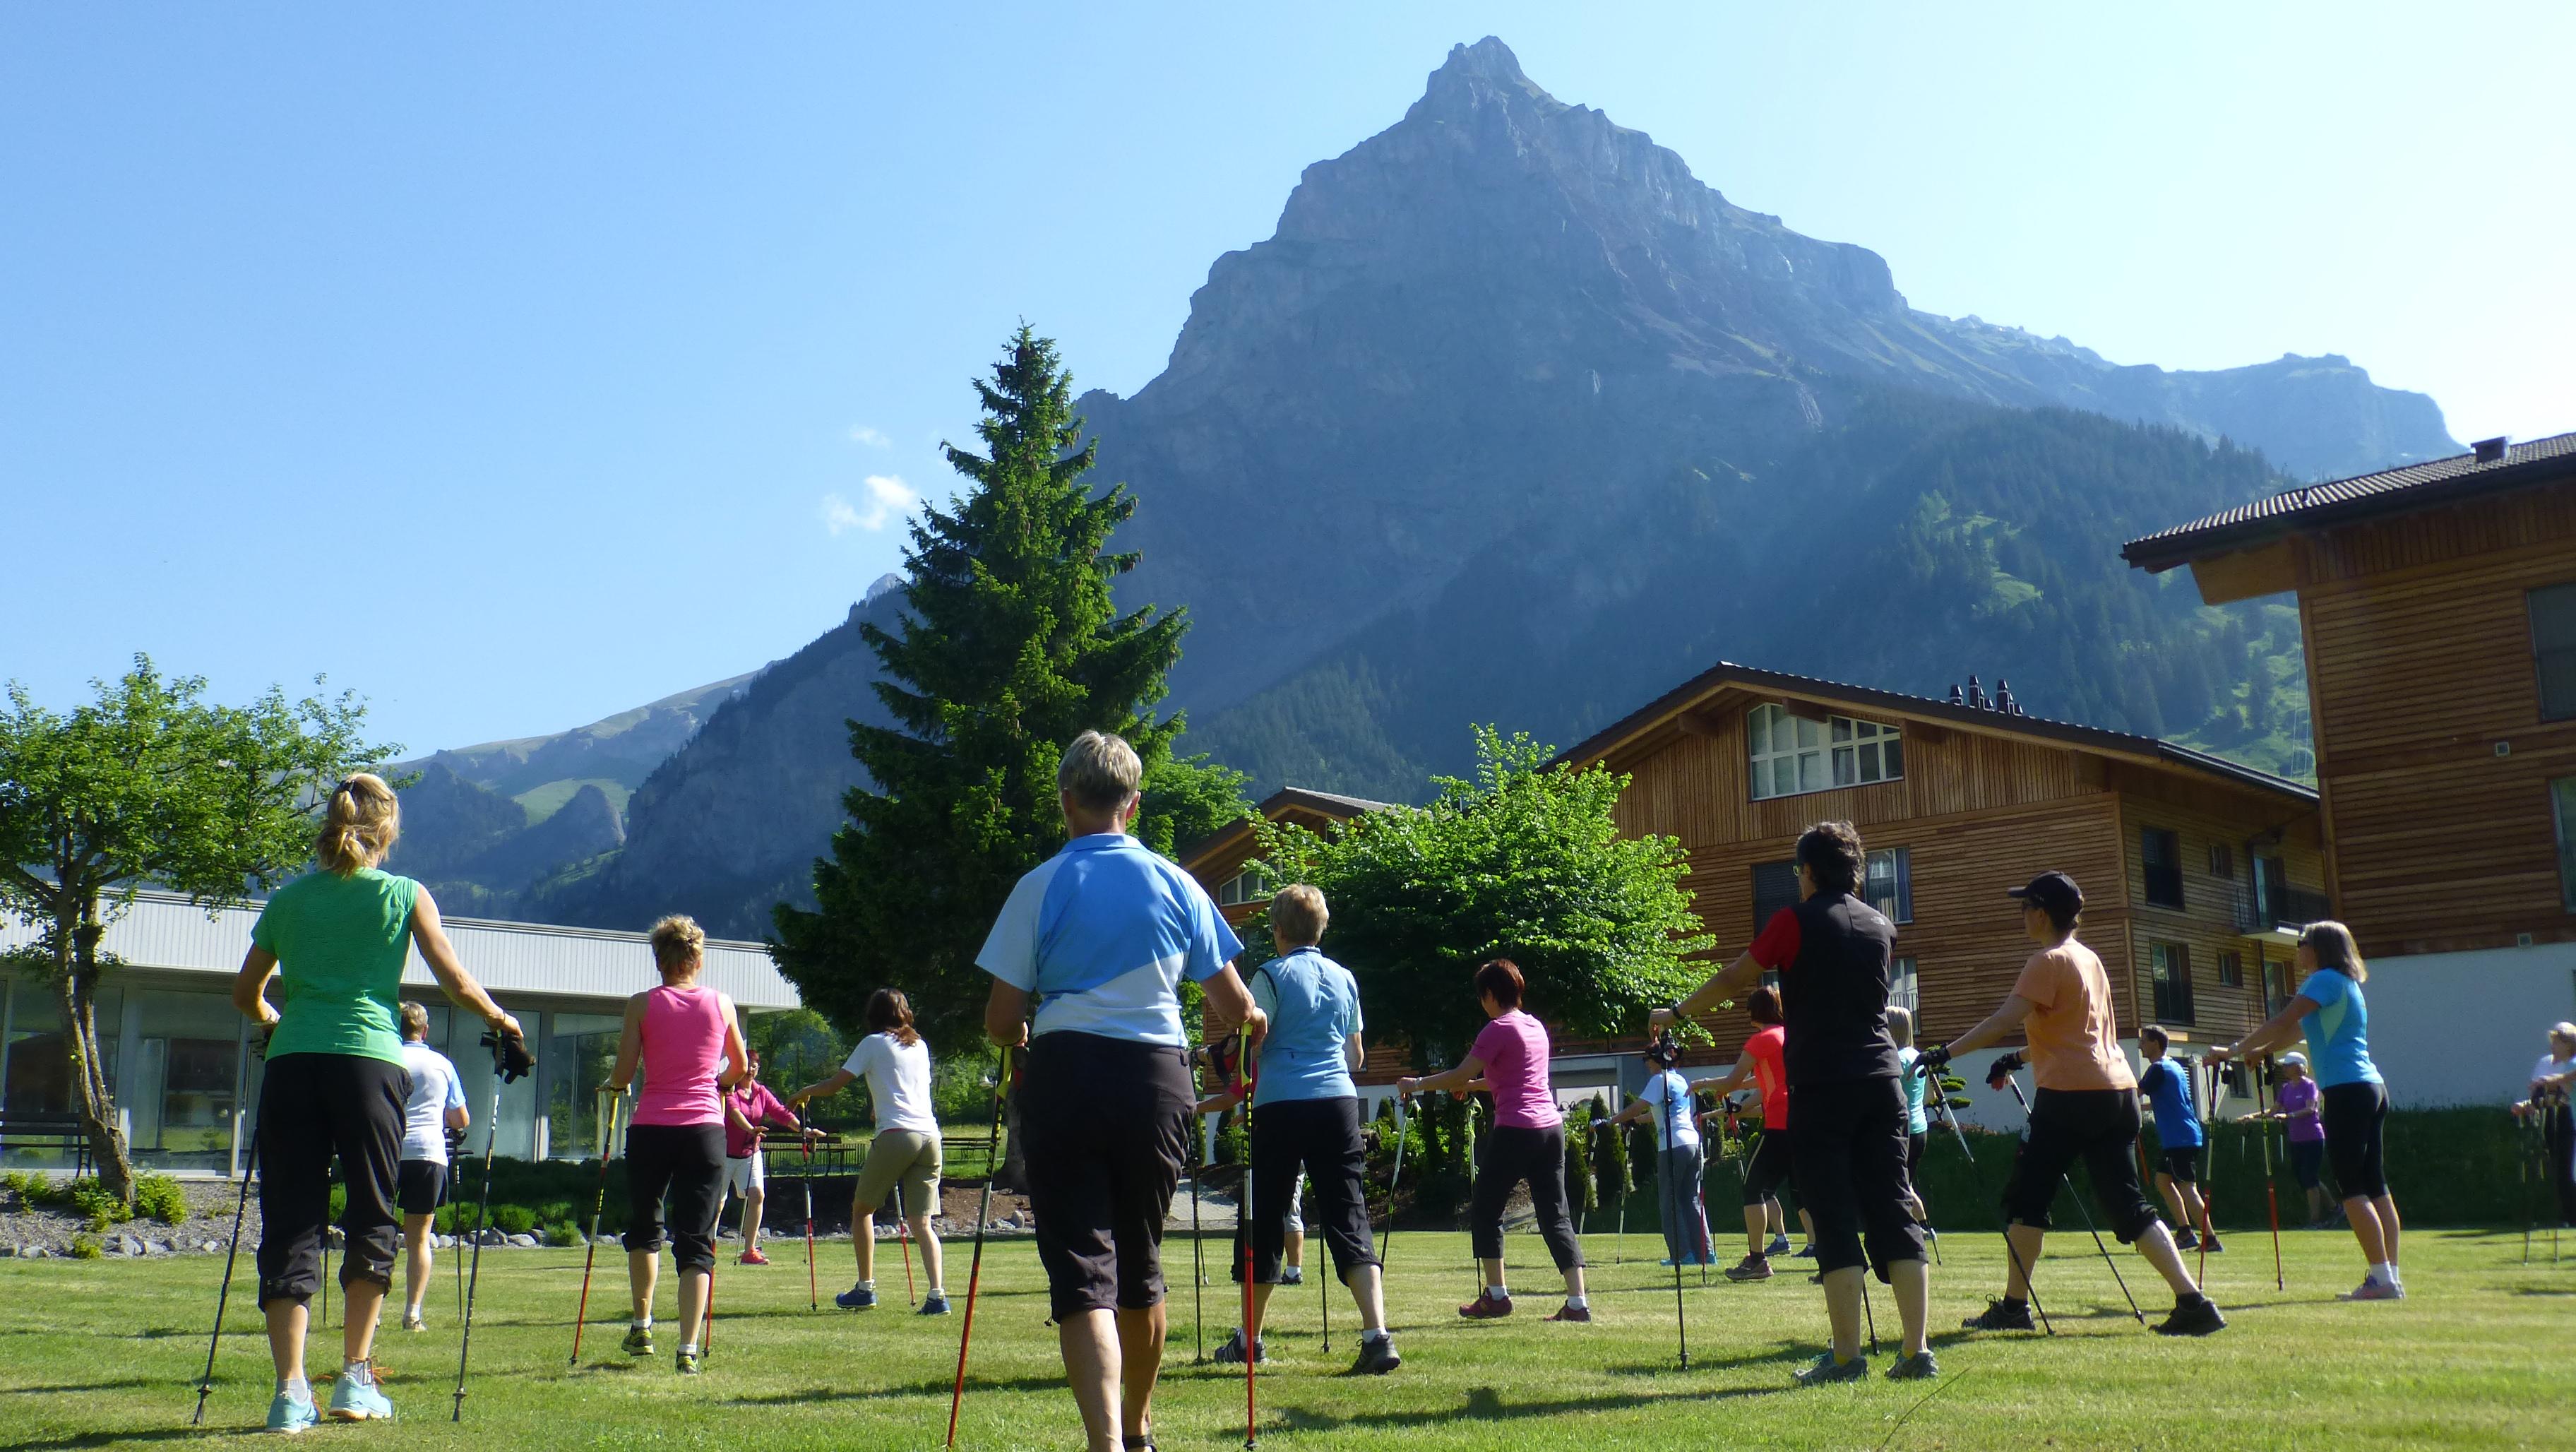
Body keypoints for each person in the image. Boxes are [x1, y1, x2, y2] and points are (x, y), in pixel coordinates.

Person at [977, 730, 1262, 1452]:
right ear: (1133, 804)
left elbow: (1002, 1020)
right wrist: (1254, 1018)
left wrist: (1020, 1040)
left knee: (1082, 1267)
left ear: (1065, 801)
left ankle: (1104, 1442)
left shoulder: (1037, 886)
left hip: (1067, 1074)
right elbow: (1232, 1005)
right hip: (1156, 1082)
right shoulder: (1177, 882)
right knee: (1141, 1261)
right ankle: (1138, 1427)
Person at [229, 773, 523, 1432]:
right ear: (386, 830)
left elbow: (245, 990)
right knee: (371, 1211)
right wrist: (503, 1021)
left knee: (291, 1219)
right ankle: (355, 1381)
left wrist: (273, 1021)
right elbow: (452, 977)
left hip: (294, 1063)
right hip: (369, 1065)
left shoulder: (290, 899)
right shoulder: (404, 894)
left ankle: (289, 1392)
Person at [1655, 821, 1935, 1384]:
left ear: (1808, 872)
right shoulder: (1882, 925)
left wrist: (1678, 1013)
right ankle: (1916, 1351)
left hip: (1823, 1084)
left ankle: (1846, 1358)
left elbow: (1739, 976)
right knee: (1891, 1208)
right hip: (1882, 1081)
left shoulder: (1793, 921)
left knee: (1832, 1215)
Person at [1919, 870, 2224, 1338]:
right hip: (2117, 1093)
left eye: (2025, 908)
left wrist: (1944, 1052)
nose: (2022, 915)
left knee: (2027, 1199)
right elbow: (2075, 1032)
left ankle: (2014, 1307)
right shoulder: (2089, 959)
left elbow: (2005, 1017)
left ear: (2041, 914)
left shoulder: (2047, 960)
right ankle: (2192, 1301)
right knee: (2128, 1204)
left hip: (2069, 1098)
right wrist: (2015, 1059)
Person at [1208, 884, 1398, 1374]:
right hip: (1337, 1102)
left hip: (1281, 1104)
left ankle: (1250, 1339)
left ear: (1277, 930)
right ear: (1322, 928)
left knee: (1265, 1217)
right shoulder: (1345, 977)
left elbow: (1255, 1037)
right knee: (1348, 1212)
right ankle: (1377, 1335)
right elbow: (1355, 1057)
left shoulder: (1268, 975)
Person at [2214, 921, 2402, 1301]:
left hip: (2348, 1090)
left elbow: (2281, 1020)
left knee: (2352, 1188)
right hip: (2371, 1088)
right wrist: (2262, 1051)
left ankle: (2381, 1281)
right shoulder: (2344, 984)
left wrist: (2232, 1051)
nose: (2298, 949)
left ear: (2318, 949)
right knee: (2374, 1185)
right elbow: (2298, 1032)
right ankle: (2389, 1277)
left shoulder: (2322, 980)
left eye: (2302, 943)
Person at [1397, 959, 1591, 1324]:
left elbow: (1460, 1072)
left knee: (1486, 1211)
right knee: (1556, 1214)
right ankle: (1577, 1302)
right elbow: (1513, 1078)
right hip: (1551, 1129)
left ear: (1489, 994)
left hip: (1516, 1129)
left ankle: (1497, 1296)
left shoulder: (1496, 1028)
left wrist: (1417, 1084)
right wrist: (1471, 1088)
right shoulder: (1535, 1027)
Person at [607, 915, 750, 1374]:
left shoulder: (641, 1005)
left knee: (646, 1227)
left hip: (652, 1127)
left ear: (659, 960)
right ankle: (687, 1350)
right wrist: (717, 1083)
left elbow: (625, 1074)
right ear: (696, 958)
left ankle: (643, 1323)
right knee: (696, 1239)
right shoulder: (721, 1004)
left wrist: (608, 1084)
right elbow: (739, 1069)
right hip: (705, 1130)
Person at [789, 987, 949, 1314]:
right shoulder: (919, 1045)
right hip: (930, 1136)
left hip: (897, 1135)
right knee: (922, 1223)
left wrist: (804, 1091)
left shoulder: (873, 1043)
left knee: (863, 1209)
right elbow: (910, 1089)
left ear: (873, 1015)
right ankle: (937, 1296)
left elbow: (836, 1084)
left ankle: (866, 1288)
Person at [1695, 986, 1805, 1280]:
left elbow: (1733, 1081)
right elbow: (1757, 1083)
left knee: (1753, 1187)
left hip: (1779, 1122)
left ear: (1753, 1013)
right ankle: (1832, 1254)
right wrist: (1714, 1087)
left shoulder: (1760, 1040)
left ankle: (1757, 1260)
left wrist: (1703, 1086)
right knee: (1804, 1191)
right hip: (1800, 1120)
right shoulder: (1788, 1036)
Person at [393, 1001, 469, 1333]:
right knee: (419, 1240)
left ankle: (371, 1311)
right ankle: (412, 1313)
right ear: (425, 1030)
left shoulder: (388, 1058)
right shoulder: (442, 1064)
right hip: (428, 1153)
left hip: (388, 1151)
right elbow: (460, 1118)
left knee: (374, 1233)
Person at [1608, 1031, 1712, 1269]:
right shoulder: (1679, 1080)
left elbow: (1637, 1106)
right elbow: (1654, 1115)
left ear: (1657, 1060)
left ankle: (1682, 1254)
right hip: (1692, 1144)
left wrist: (1612, 1121)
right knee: (1691, 1199)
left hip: (1672, 1147)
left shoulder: (1658, 1080)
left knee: (1669, 1203)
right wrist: (1633, 1122)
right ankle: (1705, 1253)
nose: (1646, 1064)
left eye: (1647, 1060)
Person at [720, 1049, 809, 1267]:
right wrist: (751, 1129)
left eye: (754, 1065)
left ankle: (749, 1249)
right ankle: (707, 1245)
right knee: (717, 1203)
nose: (750, 1069)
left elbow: (781, 1113)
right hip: (723, 1154)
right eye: (746, 1064)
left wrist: (805, 1130)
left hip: (750, 1153)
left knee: (757, 1194)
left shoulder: (761, 1092)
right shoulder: (727, 1090)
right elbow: (733, 1113)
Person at [2137, 1026, 2219, 1253]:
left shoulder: (2157, 1069)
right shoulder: (2174, 1066)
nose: (2140, 1046)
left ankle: (2211, 1240)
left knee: (2188, 1189)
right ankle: (2185, 1233)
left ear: (2155, 1043)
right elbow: (2165, 1102)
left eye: (2143, 1041)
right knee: (2163, 1182)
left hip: (2179, 1138)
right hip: (2183, 1136)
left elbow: (2134, 1094)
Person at [2513, 1023, 2576, 1228]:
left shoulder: (2572, 1064)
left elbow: (2565, 1087)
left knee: (2570, 1167)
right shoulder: (2550, 1064)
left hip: (2569, 1119)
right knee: (2562, 1168)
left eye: (2559, 1041)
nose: (2554, 1045)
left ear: (2569, 1044)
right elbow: (2543, 1097)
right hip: (2557, 1119)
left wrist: (2554, 1081)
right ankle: (2567, 1215)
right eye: (2554, 1041)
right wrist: (2527, 1105)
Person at [2270, 1052, 2333, 1226]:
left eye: (2287, 1065)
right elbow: (2274, 1110)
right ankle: (2334, 1208)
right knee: (2304, 1176)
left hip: (2312, 1138)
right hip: (2295, 1139)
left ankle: (2315, 1220)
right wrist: (2251, 1116)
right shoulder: (2286, 1088)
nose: (2284, 1069)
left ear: (2298, 1067)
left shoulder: (2310, 1086)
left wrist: (2287, 1116)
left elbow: (2311, 1109)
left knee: (2309, 1176)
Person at [1885, 1006, 1931, 1236]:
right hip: (1920, 1127)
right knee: (1906, 1182)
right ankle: (1921, 1226)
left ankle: (1917, 1228)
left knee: (1898, 1183)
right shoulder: (1917, 1057)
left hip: (1900, 1129)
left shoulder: (1894, 1059)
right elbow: (1930, 1096)